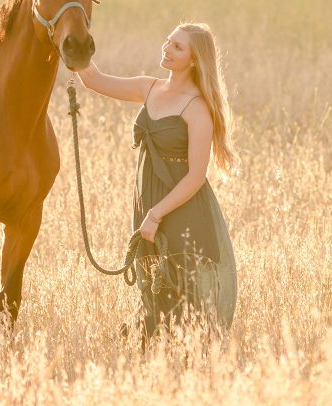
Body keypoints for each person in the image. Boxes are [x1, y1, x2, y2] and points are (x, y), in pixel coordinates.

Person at [78, 22, 237, 337]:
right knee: (152, 285)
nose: (167, 48)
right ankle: (152, 354)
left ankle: (193, 362)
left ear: (194, 60)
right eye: (168, 41)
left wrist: (156, 213)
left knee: (185, 292)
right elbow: (94, 79)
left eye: (177, 47)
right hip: (148, 198)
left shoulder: (197, 108)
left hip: (182, 208)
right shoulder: (147, 87)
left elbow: (196, 175)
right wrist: (72, 37)